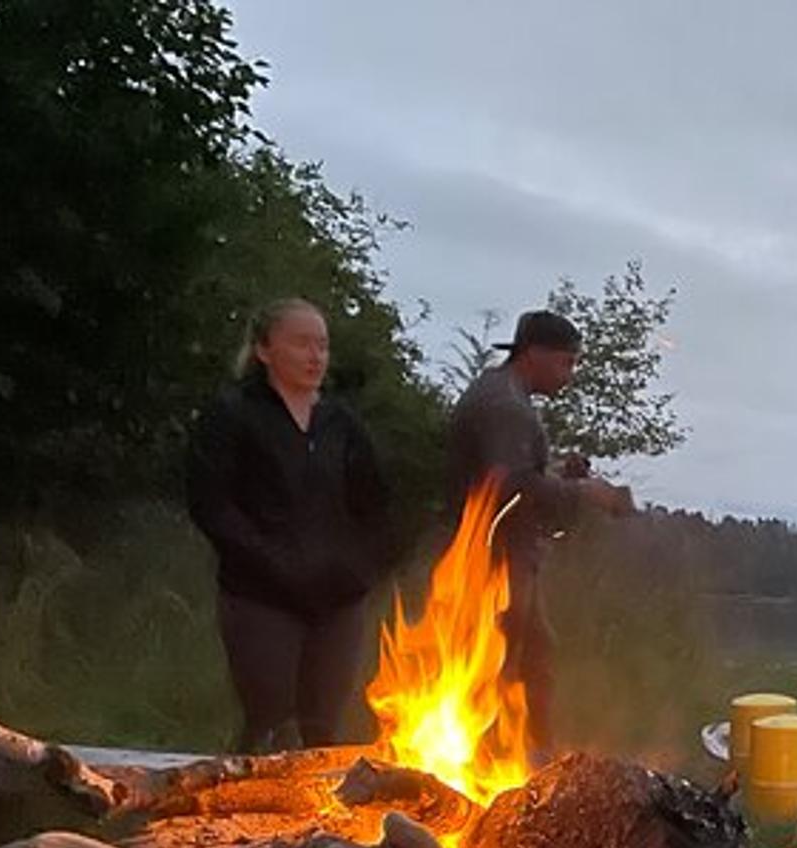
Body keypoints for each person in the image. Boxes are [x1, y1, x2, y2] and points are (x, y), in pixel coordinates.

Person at [188, 298, 394, 752]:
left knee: (323, 731)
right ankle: (243, 818)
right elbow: (212, 504)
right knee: (270, 724)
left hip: (337, 600)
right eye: (302, 344)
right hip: (261, 595)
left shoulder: (341, 423)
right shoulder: (234, 414)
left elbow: (375, 505)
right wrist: (269, 563)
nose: (315, 356)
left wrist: (358, 571)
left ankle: (319, 822)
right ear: (264, 350)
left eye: (322, 345)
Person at [445, 309, 633, 760]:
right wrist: (587, 492)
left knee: (536, 664)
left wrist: (559, 475)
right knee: (498, 672)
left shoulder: (505, 394)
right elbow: (509, 490)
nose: (570, 375)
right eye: (567, 362)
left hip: (511, 558)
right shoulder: (504, 406)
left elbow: (511, 476)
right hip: (493, 564)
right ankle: (490, 777)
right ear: (535, 354)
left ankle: (535, 766)